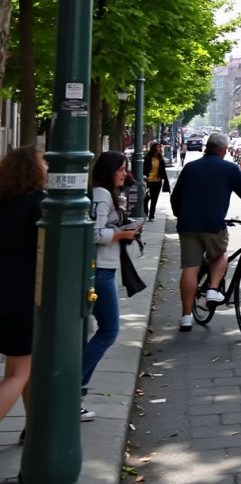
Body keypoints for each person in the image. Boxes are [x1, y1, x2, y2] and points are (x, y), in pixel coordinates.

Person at [170, 131, 241, 333]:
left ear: (206, 148)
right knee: (220, 255)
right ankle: (212, 290)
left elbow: (176, 198)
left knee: (190, 267)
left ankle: (186, 317)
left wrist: (181, 214)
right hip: (213, 224)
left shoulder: (190, 168)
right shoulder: (229, 168)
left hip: (188, 225)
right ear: (224, 150)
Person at [83, 151, 142, 417]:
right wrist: (121, 234)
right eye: (121, 169)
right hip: (101, 270)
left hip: (105, 269)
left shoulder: (106, 194)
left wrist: (126, 228)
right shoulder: (102, 195)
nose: (125, 173)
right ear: (109, 171)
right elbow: (94, 233)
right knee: (109, 331)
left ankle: (76, 388)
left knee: (104, 330)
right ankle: (74, 386)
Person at [0, 147, 48, 436]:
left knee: (22, 368)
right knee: (20, 373)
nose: (47, 167)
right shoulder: (41, 205)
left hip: (4, 297)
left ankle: (35, 431)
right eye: (43, 162)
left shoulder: (4, 202)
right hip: (24, 300)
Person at [143, 141, 171, 220]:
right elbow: (144, 169)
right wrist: (145, 177)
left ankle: (152, 216)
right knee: (146, 199)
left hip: (157, 182)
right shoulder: (147, 158)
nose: (160, 148)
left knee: (154, 199)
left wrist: (165, 180)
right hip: (148, 181)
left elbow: (163, 170)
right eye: (158, 147)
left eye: (160, 147)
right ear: (154, 148)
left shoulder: (160, 159)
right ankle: (145, 213)